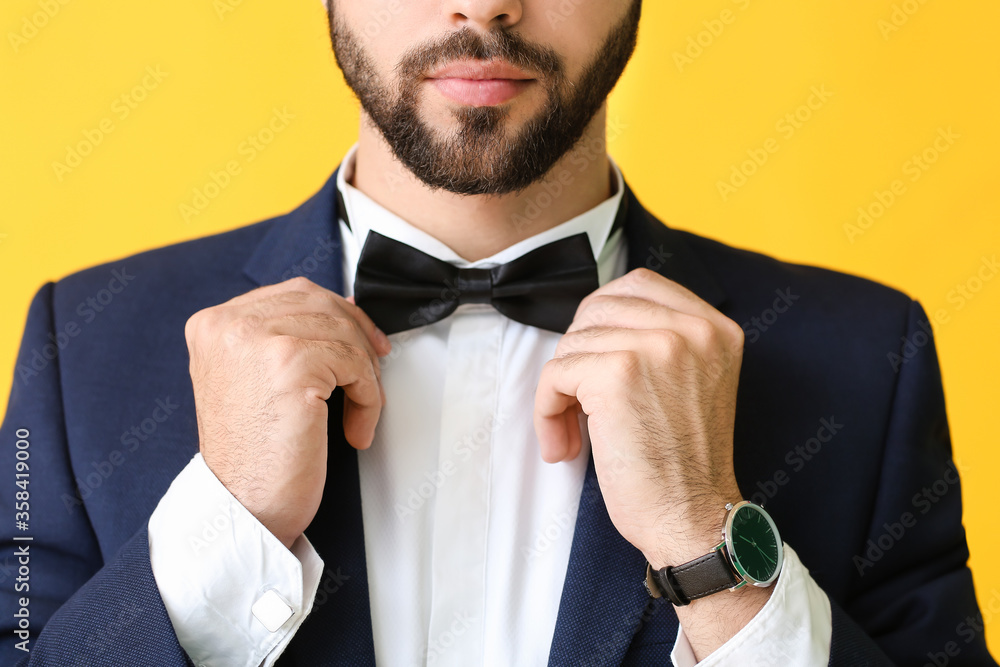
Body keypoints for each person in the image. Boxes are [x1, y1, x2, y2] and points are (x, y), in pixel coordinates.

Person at [0, 1, 995, 665]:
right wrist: (222, 530)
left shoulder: (865, 360)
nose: (483, 7)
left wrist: (713, 549)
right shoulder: (83, 349)